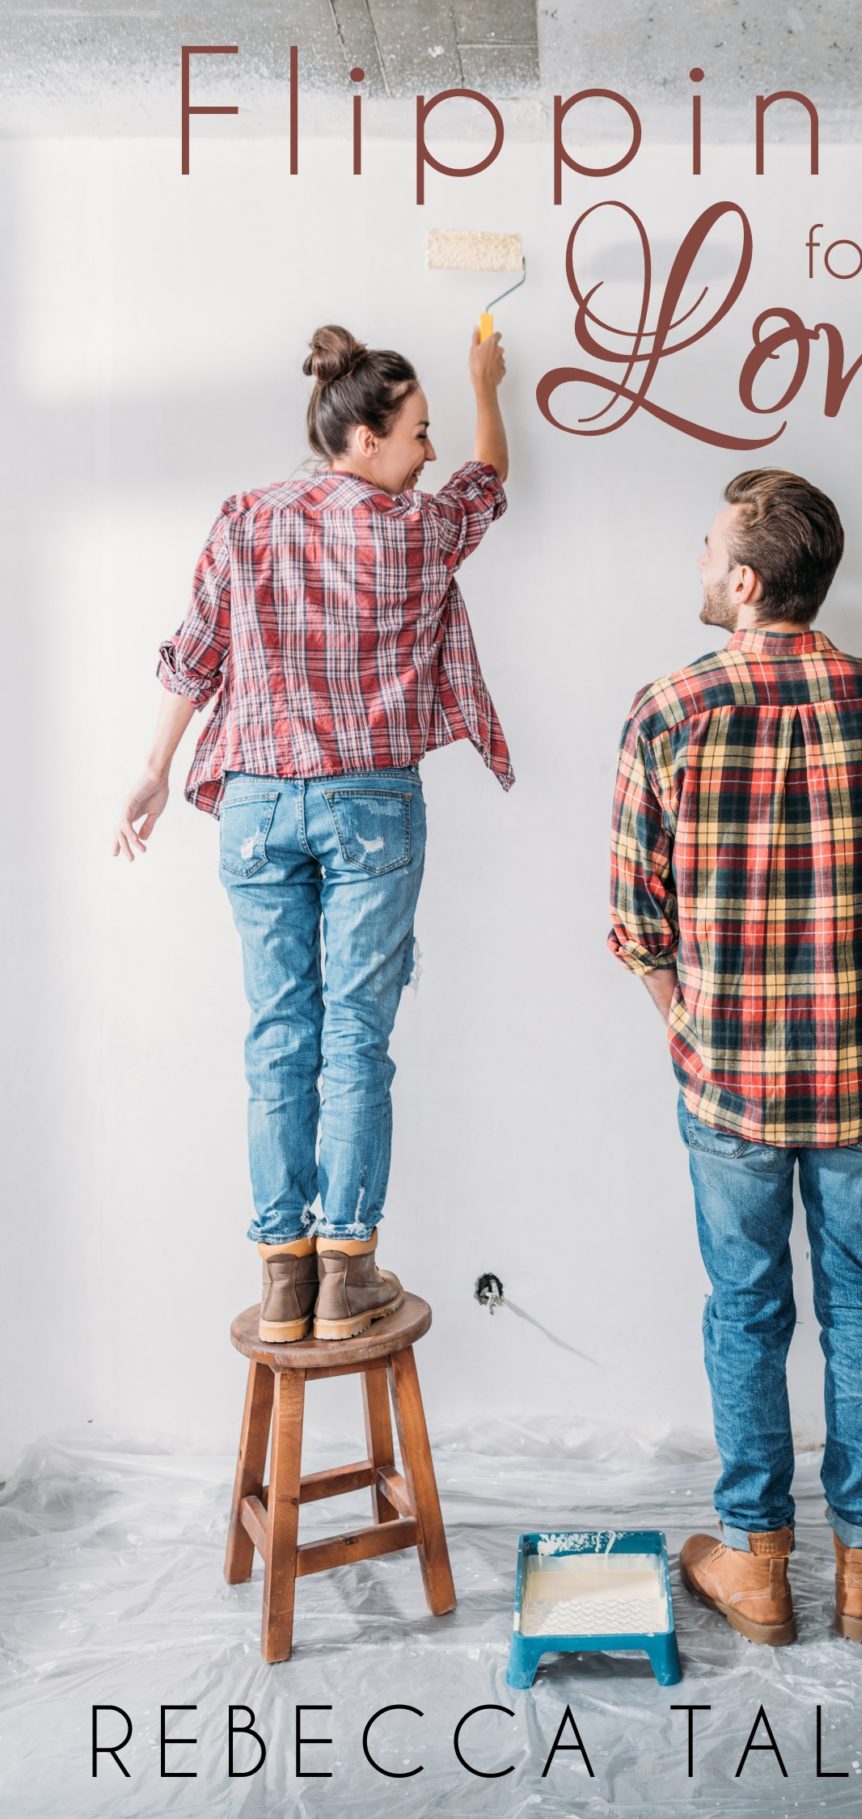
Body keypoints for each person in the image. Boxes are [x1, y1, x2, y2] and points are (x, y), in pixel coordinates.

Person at [608, 469, 862, 1646]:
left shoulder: (669, 709)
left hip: (726, 1084)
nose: (698, 564)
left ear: (746, 581)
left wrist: (688, 1028)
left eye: (707, 549)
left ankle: (752, 1564)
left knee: (744, 1312)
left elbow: (636, 926)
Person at [113, 324, 512, 1344]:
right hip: (369, 802)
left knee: (277, 1038)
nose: (429, 454)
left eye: (433, 436)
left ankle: (283, 1277)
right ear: (368, 439)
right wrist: (485, 385)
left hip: (252, 800)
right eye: (418, 434)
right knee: (354, 1042)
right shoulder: (419, 530)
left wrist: (156, 767)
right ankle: (347, 1270)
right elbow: (491, 480)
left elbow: (193, 655)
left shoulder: (246, 518)